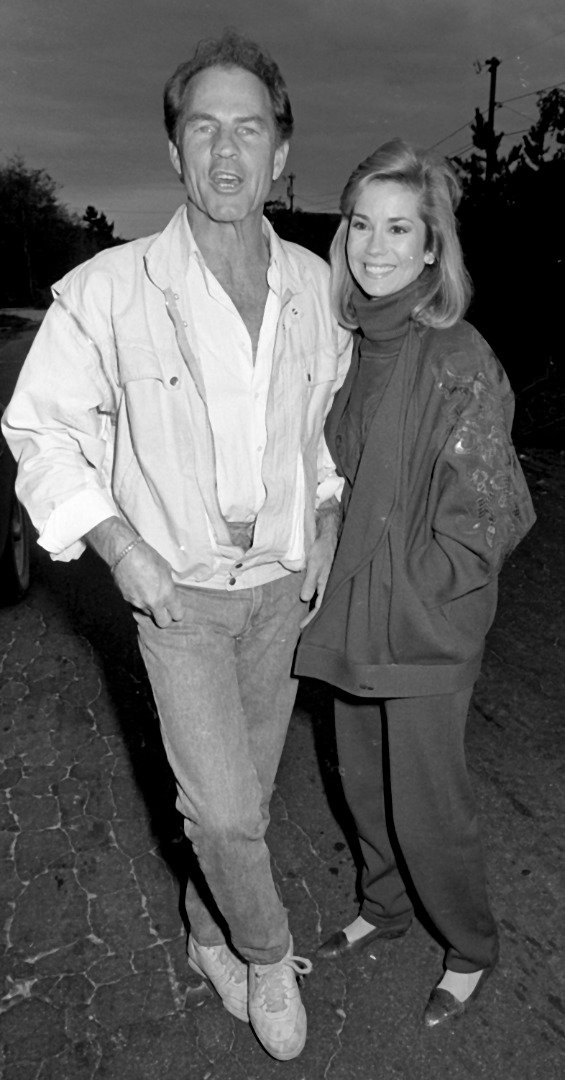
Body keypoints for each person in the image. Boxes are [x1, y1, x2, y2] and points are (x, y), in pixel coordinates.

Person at [2, 32, 351, 1061]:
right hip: (181, 599)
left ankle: (207, 934)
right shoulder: (108, 291)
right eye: (204, 128)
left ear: (283, 153)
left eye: (250, 128)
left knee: (236, 799)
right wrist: (119, 547)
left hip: (282, 589)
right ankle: (270, 955)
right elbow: (39, 429)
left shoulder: (313, 292)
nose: (227, 151)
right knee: (229, 817)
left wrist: (324, 515)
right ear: (174, 152)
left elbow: (320, 432)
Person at [294, 139, 536, 1028]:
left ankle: (470, 945)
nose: (374, 244)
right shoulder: (351, 343)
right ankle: (383, 906)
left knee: (428, 803)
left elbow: (489, 511)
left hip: (423, 623)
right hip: (354, 610)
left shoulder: (456, 354)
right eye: (360, 223)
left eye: (399, 227)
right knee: (361, 781)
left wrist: (420, 591)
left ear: (433, 247)